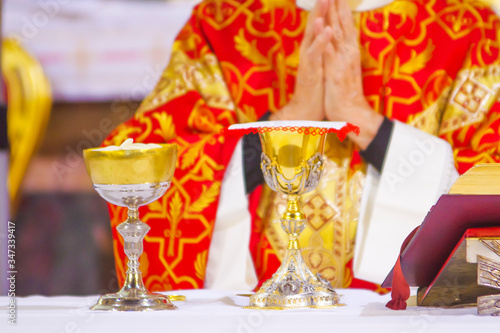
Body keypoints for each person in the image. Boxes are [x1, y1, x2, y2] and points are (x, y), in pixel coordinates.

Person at [103, 0, 500, 292]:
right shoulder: (224, 23)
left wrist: (372, 130)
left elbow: (487, 184)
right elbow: (144, 165)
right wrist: (284, 123)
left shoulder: (466, 30)